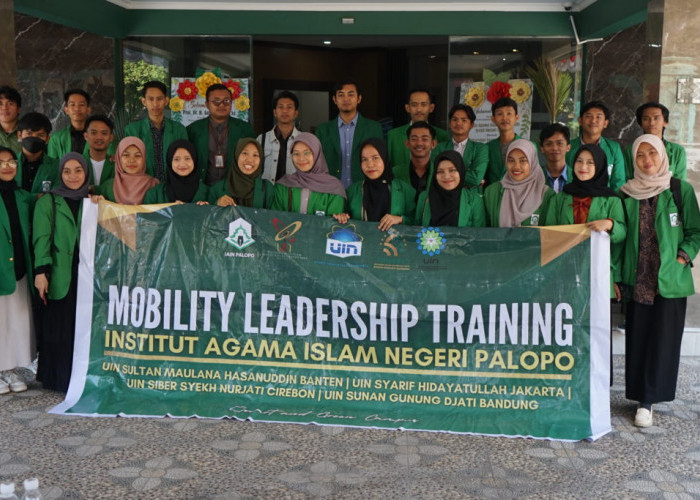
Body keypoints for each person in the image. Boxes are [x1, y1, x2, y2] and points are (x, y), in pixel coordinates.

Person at [617, 134, 700, 428]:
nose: (647, 160)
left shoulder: (679, 190)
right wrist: (615, 275)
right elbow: (619, 240)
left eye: (652, 153)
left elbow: (695, 231)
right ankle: (640, 396)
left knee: (663, 341)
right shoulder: (625, 194)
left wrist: (682, 257)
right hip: (637, 278)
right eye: (640, 155)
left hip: (670, 280)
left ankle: (649, 401)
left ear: (663, 155)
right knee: (639, 339)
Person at [33, 153, 93, 392]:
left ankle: (82, 376)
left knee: (83, 327)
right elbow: (41, 239)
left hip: (87, 276)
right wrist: (41, 272)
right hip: (60, 273)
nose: (73, 176)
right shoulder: (47, 202)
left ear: (86, 173)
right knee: (60, 326)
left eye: (78, 170)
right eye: (67, 171)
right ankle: (58, 378)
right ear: (59, 174)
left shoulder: (93, 200)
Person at [545, 143, 626, 288]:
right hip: (564, 273)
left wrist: (610, 224)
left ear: (600, 166)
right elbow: (548, 235)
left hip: (600, 274)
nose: (583, 167)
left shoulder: (612, 200)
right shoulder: (559, 199)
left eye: (590, 163)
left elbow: (622, 235)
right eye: (579, 161)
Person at [0, 147, 33, 394]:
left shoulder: (22, 195)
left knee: (13, 322)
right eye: (1, 162)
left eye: (11, 161)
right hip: (1, 268)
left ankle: (9, 369)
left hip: (18, 269)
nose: (8, 166)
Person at [333, 137, 416, 230]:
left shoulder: (404, 190)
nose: (370, 165)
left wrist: (401, 219)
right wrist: (342, 217)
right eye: (364, 159)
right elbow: (343, 218)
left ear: (384, 158)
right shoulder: (353, 191)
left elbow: (418, 221)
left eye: (375, 158)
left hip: (393, 244)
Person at [315, 80, 383, 187]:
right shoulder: (323, 130)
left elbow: (382, 160)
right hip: (331, 190)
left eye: (351, 94)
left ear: (359, 98)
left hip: (364, 189)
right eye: (341, 95)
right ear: (334, 99)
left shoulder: (374, 128)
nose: (346, 99)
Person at [187, 83, 255, 186]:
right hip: (201, 189)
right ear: (207, 104)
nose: (222, 105)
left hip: (235, 189)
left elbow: (254, 160)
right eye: (216, 101)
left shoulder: (245, 129)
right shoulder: (193, 130)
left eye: (226, 101)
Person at [124, 81, 188, 182]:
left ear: (166, 101)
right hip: (143, 186)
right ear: (144, 101)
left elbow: (185, 160)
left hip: (173, 186)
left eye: (159, 99)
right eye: (150, 99)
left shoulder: (179, 129)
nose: (155, 104)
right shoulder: (132, 130)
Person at [271, 132, 346, 215]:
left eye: (307, 153)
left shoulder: (334, 188)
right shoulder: (284, 186)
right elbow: (276, 219)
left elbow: (332, 225)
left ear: (317, 153)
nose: (301, 158)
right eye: (296, 153)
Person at [484, 139, 554, 227]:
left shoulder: (546, 195)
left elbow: (550, 234)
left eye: (523, 160)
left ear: (532, 162)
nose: (516, 167)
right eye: (511, 160)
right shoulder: (492, 192)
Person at [415, 150, 486, 227]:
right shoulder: (424, 197)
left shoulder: (474, 200)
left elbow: (479, 234)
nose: (446, 176)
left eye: (452, 170)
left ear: (461, 172)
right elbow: (417, 229)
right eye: (440, 171)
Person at [566, 101, 625, 191]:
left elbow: (618, 183)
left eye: (598, 117)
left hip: (605, 201)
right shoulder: (568, 148)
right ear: (580, 120)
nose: (593, 121)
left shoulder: (614, 148)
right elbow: (566, 179)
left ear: (605, 123)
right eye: (588, 116)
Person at [623, 102, 686, 180]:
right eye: (646, 119)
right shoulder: (630, 150)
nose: (651, 123)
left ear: (665, 122)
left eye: (656, 118)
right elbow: (627, 179)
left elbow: (680, 183)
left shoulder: (677, 151)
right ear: (640, 124)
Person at [387, 88, 449, 168]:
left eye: (423, 104)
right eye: (414, 105)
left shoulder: (442, 135)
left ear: (431, 108)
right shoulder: (393, 135)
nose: (419, 109)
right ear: (407, 108)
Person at [432, 104, 488, 189]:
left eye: (464, 120)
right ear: (450, 123)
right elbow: (435, 175)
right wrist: (466, 173)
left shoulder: (480, 149)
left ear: (472, 125)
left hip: (470, 198)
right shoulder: (439, 148)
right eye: (454, 119)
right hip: (444, 195)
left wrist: (447, 172)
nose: (458, 123)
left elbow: (476, 179)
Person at [209, 138, 273, 208]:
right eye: (245, 153)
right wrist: (217, 204)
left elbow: (273, 217)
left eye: (255, 155)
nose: (250, 160)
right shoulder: (218, 189)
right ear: (236, 155)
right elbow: (207, 215)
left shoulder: (267, 189)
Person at [144, 139, 208, 204]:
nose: (182, 164)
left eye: (187, 158)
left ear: (194, 161)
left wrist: (206, 208)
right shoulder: (154, 194)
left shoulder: (207, 192)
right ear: (170, 162)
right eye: (177, 159)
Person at [98, 137, 159, 205]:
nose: (132, 160)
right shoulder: (108, 186)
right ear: (118, 158)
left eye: (137, 155)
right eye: (126, 155)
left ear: (144, 158)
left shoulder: (154, 185)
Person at [257, 90, 301, 184]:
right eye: (280, 107)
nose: (285, 111)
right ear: (275, 112)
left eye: (289, 107)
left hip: (294, 194)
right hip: (267, 194)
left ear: (296, 113)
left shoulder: (303, 140)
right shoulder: (262, 139)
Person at [15, 112, 59, 195]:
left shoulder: (57, 167)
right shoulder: (9, 164)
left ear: (47, 139)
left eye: (40, 135)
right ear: (19, 135)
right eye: (29, 133)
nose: (34, 138)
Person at [485, 97, 525, 186]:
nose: (504, 118)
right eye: (500, 114)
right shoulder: (487, 148)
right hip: (494, 197)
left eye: (509, 113)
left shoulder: (528, 146)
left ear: (516, 117)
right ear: (493, 119)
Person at [393, 121, 437, 201]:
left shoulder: (439, 172)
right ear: (407, 144)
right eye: (414, 139)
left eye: (424, 139)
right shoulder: (395, 172)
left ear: (433, 144)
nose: (419, 143)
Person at [47, 89, 91, 159]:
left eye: (81, 105)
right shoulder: (56, 139)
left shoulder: (99, 137)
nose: (77, 108)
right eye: (72, 104)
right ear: (66, 110)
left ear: (88, 109)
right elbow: (52, 166)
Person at [83, 114, 116, 188]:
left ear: (111, 137)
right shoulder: (77, 162)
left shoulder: (117, 165)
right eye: (94, 133)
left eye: (104, 133)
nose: (99, 137)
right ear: (86, 136)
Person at [540, 123, 572, 193]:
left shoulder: (576, 177)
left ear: (568, 147)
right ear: (542, 148)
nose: (554, 148)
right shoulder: (535, 178)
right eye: (549, 144)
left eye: (559, 143)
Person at [0, 86, 22, 155]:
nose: (4, 108)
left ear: (19, 109)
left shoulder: (27, 132)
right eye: (0, 104)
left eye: (10, 104)